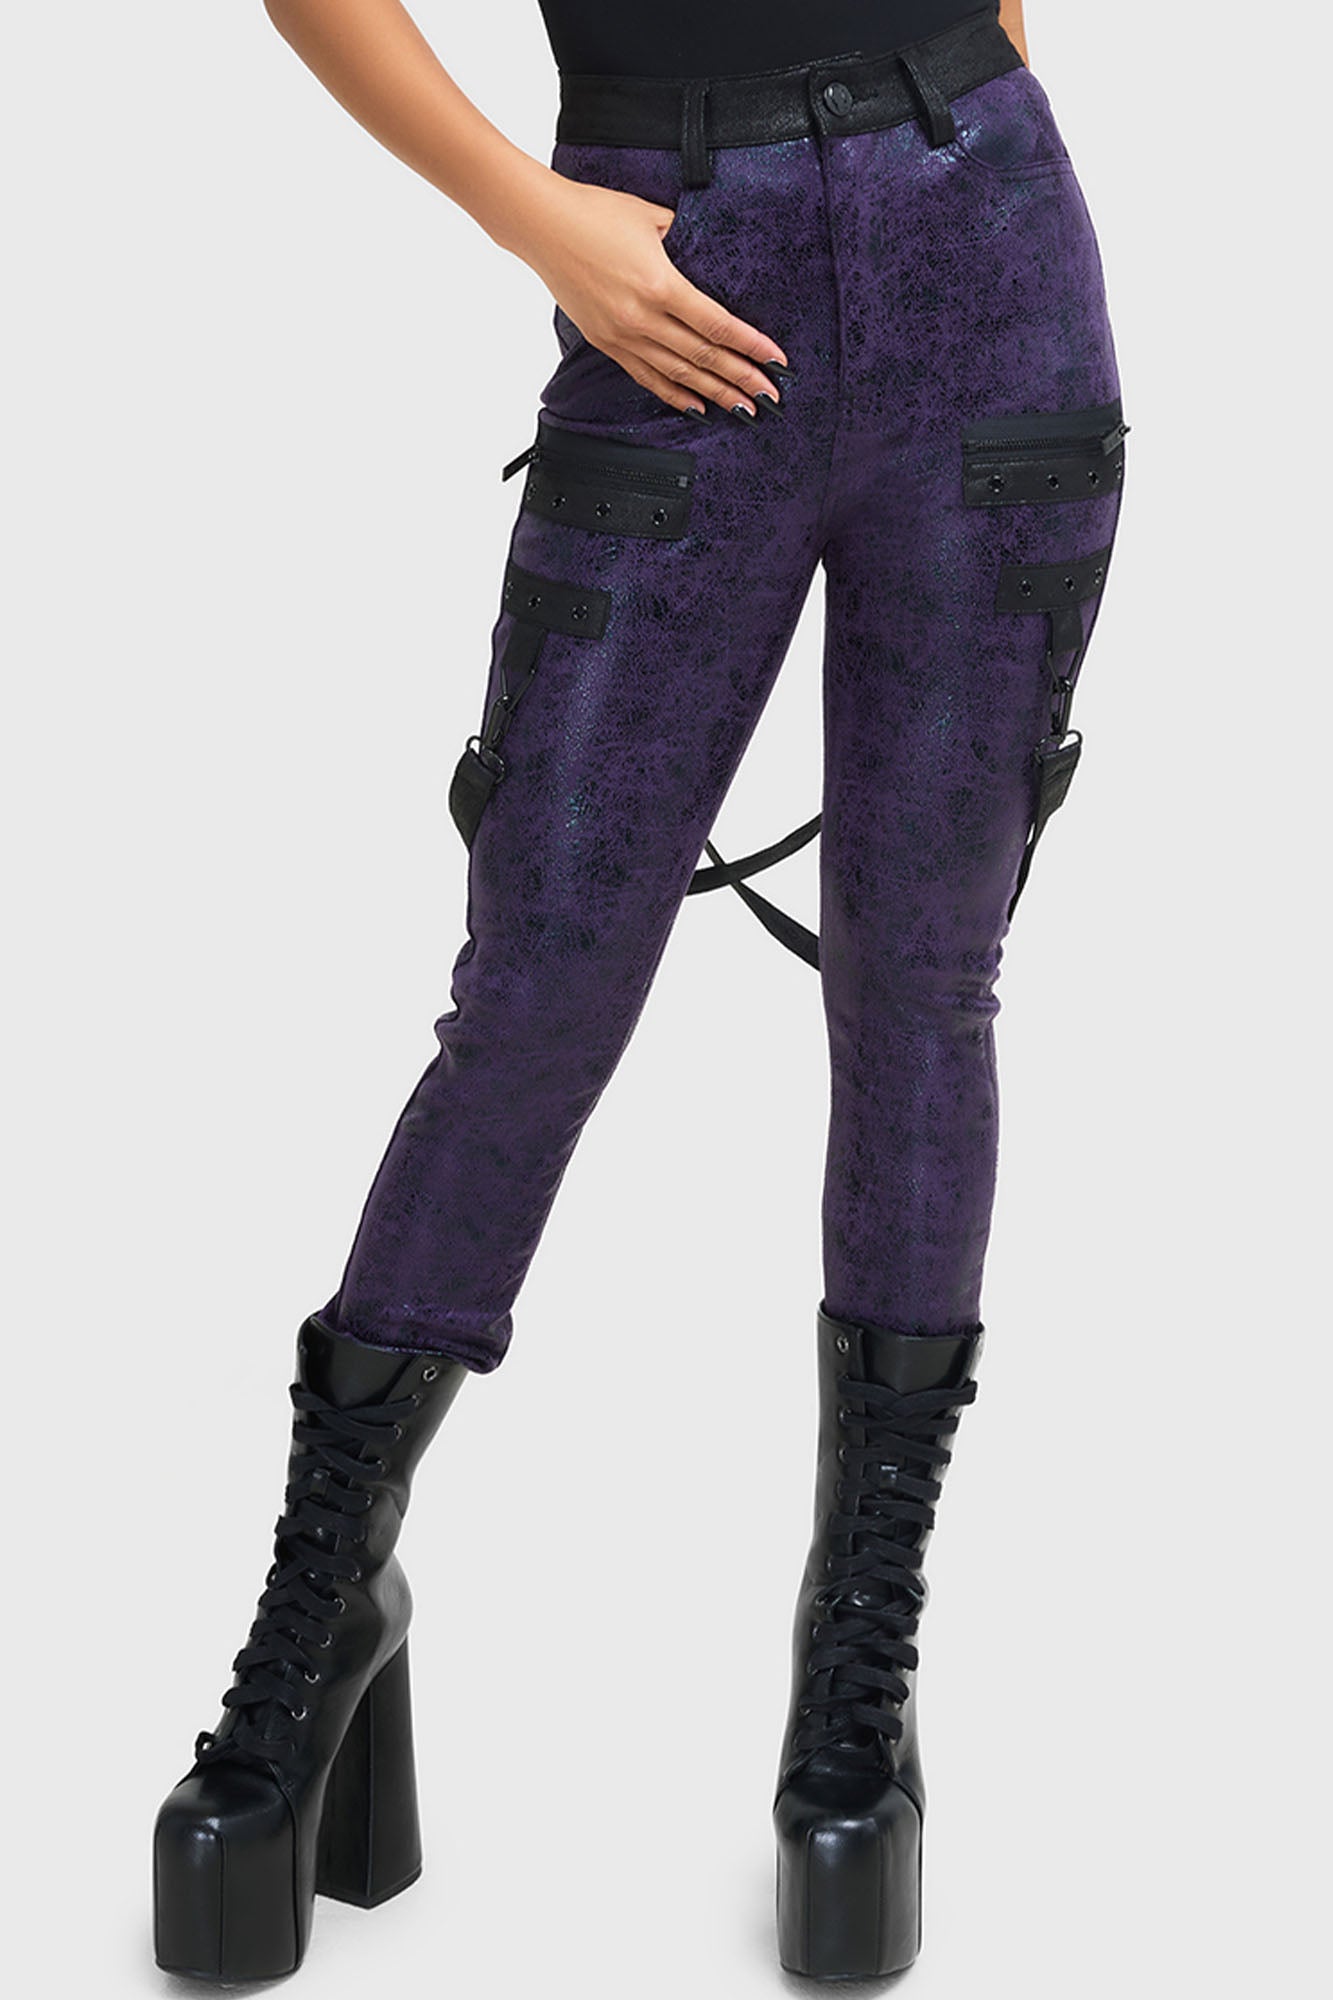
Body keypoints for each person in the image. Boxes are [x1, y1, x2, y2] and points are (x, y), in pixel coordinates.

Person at [152, 0, 1128, 1981]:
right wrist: (531, 214)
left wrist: (980, 107)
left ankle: (854, 1674)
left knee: (923, 984)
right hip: (661, 253)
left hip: (989, 260)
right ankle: (321, 1610)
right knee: (536, 983)